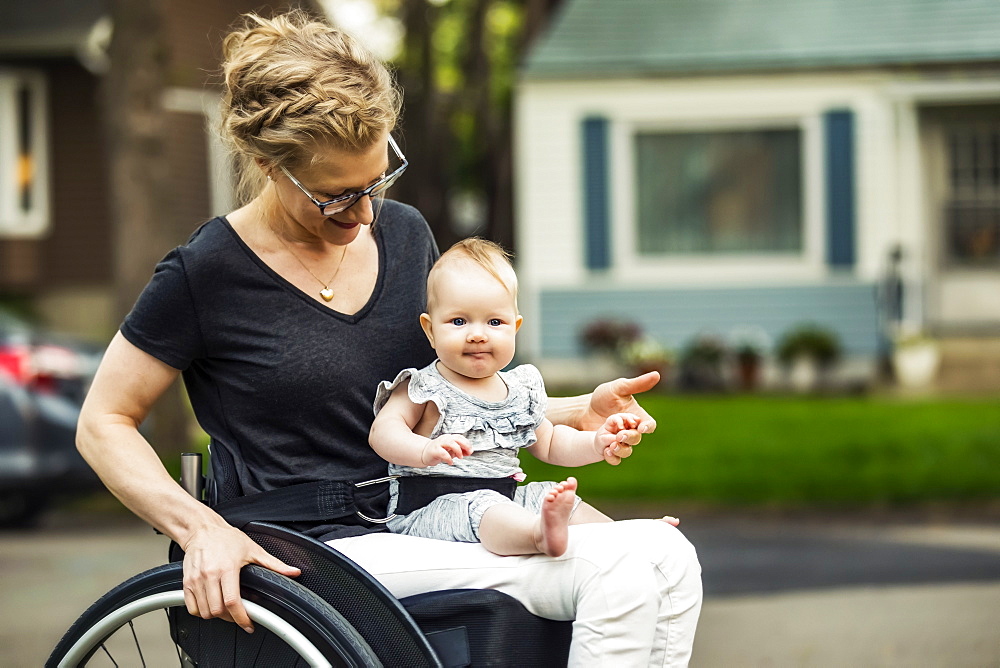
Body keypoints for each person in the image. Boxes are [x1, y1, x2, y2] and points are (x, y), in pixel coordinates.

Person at [76, 10, 702, 666]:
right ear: (266, 163)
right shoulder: (207, 272)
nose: (364, 213)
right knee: (621, 569)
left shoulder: (404, 236)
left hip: (436, 510)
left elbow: (450, 389)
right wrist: (201, 528)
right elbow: (103, 423)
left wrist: (576, 412)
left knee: (670, 559)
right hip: (311, 549)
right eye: (335, 197)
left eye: (376, 182)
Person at [371, 238, 664, 558]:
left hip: (505, 497)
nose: (478, 334)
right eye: (459, 321)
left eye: (495, 322)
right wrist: (424, 449)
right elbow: (383, 432)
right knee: (485, 506)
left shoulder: (518, 391)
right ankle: (538, 535)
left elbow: (552, 443)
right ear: (430, 330)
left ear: (515, 327)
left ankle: (629, 538)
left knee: (549, 495)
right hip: (431, 506)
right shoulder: (423, 386)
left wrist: (596, 443)